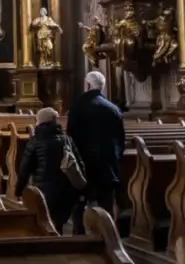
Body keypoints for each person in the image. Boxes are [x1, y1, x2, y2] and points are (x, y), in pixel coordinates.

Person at [67, 70, 125, 234]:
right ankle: (108, 233)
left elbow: (71, 135)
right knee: (106, 200)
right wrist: (116, 157)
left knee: (80, 199)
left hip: (84, 160)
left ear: (87, 85)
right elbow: (120, 139)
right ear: (102, 86)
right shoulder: (113, 108)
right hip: (107, 161)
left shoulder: (78, 107)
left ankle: (79, 232)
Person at [15, 108, 84, 234]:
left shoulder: (35, 141)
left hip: (44, 190)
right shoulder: (66, 138)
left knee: (45, 223)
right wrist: (82, 187)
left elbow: (25, 168)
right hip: (66, 188)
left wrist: (19, 190)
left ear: (39, 121)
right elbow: (79, 162)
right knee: (58, 222)